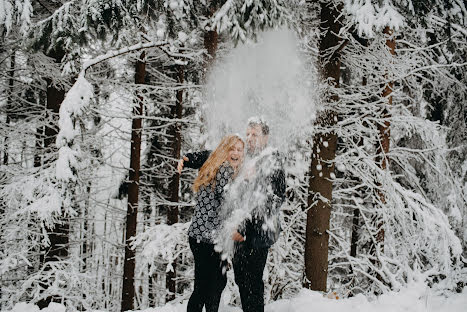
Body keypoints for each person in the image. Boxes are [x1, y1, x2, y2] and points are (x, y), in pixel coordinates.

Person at [178, 118, 285, 312]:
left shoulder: (271, 160)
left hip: (255, 236)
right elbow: (217, 153)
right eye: (249, 134)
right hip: (232, 235)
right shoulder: (243, 154)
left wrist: (245, 227)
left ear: (266, 137)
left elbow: (274, 200)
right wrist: (190, 159)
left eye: (256, 134)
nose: (251, 138)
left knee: (251, 285)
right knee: (237, 282)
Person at [185, 134, 245, 312]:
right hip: (208, 239)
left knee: (206, 286)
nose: (235, 153)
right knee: (211, 287)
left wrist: (188, 159)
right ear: (224, 151)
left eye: (239, 150)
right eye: (231, 149)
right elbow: (228, 201)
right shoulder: (225, 170)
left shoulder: (214, 165)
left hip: (199, 237)